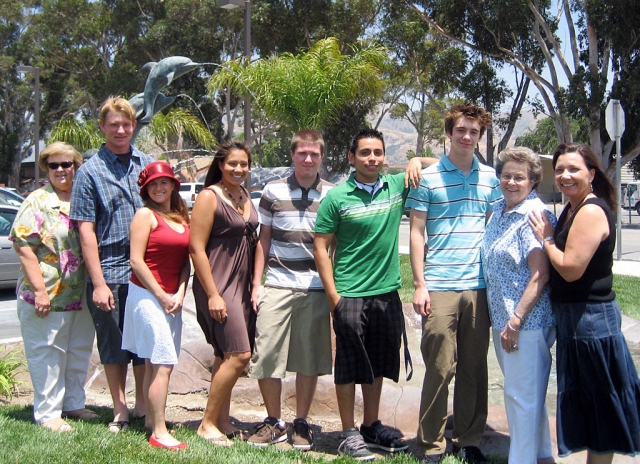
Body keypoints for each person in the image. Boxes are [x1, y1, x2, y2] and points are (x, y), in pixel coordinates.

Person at [314, 128, 435, 460]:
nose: (372, 159)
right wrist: (334, 297)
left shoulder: (396, 187)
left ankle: (370, 424)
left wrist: (414, 160)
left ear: (384, 157)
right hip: (349, 294)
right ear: (351, 157)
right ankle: (347, 431)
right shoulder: (337, 197)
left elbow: (445, 164)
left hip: (387, 293)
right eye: (365, 153)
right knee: (349, 366)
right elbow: (321, 248)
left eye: (378, 153)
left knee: (378, 363)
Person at [530, 143, 640, 463]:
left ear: (591, 174)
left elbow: (570, 268)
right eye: (560, 169)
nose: (565, 175)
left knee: (601, 410)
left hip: (591, 321)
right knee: (593, 408)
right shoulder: (572, 207)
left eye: (573, 169)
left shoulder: (590, 210)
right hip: (576, 320)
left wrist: (547, 239)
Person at [407, 103, 502, 464]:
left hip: (479, 286)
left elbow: (495, 228)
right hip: (440, 284)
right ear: (449, 133)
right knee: (439, 366)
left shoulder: (491, 178)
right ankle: (430, 443)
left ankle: (468, 439)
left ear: (479, 136)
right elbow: (416, 233)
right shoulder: (427, 180)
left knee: (475, 367)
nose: (466, 137)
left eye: (473, 132)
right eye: (461, 130)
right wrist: (420, 283)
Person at [70, 96, 154, 433]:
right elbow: (85, 230)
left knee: (143, 344)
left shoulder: (146, 164)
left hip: (147, 274)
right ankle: (120, 408)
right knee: (113, 346)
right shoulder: (89, 171)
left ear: (134, 126)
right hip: (111, 273)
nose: (121, 130)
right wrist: (99, 283)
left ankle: (143, 405)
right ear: (102, 127)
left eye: (126, 124)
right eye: (113, 124)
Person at [247, 130, 334, 450]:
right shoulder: (272, 190)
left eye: (314, 154)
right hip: (277, 284)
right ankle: (273, 421)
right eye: (302, 153)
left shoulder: (332, 195)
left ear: (322, 157)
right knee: (267, 354)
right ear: (293, 155)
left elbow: (334, 245)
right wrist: (257, 284)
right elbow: (264, 239)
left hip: (315, 288)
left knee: (309, 359)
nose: (308, 159)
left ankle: (301, 423)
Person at [11, 142, 97, 432]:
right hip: (47, 292)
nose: (61, 170)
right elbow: (23, 247)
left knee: (78, 349)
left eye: (67, 164)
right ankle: (48, 413)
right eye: (54, 165)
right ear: (46, 168)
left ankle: (73, 403)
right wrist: (39, 291)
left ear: (76, 166)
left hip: (82, 292)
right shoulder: (37, 200)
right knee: (47, 353)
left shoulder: (84, 197)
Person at [481, 147, 556, 464]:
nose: (511, 181)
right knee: (526, 392)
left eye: (519, 177)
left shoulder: (534, 216)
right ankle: (541, 455)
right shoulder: (497, 209)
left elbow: (540, 275)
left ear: (533, 181)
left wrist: (516, 320)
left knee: (521, 397)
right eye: (506, 175)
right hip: (503, 319)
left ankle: (521, 459)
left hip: (525, 322)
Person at [190, 141, 259, 446]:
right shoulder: (209, 196)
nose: (238, 169)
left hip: (242, 286)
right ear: (220, 165)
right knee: (240, 355)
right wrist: (213, 294)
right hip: (217, 284)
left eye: (243, 164)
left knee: (224, 355)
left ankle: (222, 419)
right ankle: (206, 424)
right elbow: (196, 248)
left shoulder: (245, 194)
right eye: (232, 164)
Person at [121, 162, 191, 450]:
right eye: (153, 184)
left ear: (173, 184)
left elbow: (186, 262)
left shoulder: (181, 217)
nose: (159, 188)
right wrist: (161, 295)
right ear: (146, 189)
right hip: (147, 296)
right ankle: (159, 432)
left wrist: (181, 293)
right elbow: (136, 260)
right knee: (162, 362)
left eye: (165, 182)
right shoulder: (144, 215)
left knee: (154, 361)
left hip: (173, 297)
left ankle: (151, 419)